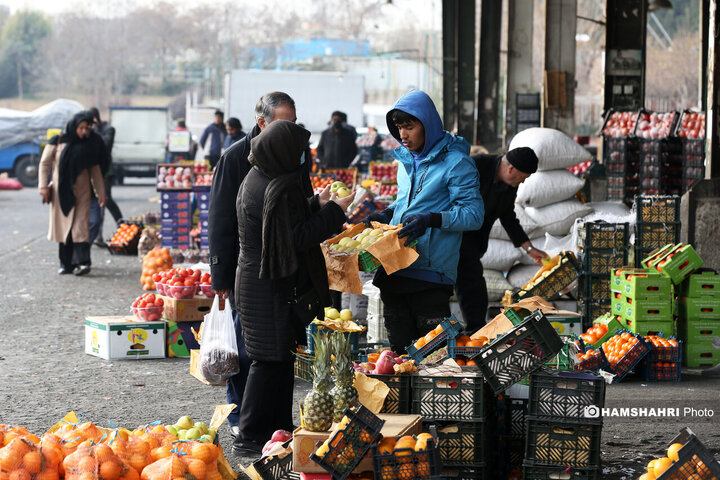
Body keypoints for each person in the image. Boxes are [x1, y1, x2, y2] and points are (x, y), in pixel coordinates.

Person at [233, 120, 353, 456]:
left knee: (278, 358)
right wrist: (334, 212)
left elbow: (287, 227)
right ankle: (251, 434)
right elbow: (297, 238)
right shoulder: (274, 188)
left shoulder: (261, 178)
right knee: (268, 360)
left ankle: (274, 431)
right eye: (299, 150)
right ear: (282, 151)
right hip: (266, 285)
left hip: (261, 279)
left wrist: (317, 203)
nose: (304, 157)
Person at [208, 91, 313, 442]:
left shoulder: (292, 156)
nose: (291, 132)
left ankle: (268, 426)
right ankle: (241, 417)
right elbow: (220, 220)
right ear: (262, 123)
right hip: (252, 270)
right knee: (250, 350)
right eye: (284, 124)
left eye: (294, 124)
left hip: (279, 270)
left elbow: (298, 205)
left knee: (269, 352)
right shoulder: (236, 159)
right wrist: (219, 275)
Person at [363, 90, 484, 352]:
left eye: (410, 126)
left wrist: (432, 219)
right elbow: (406, 202)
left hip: (430, 275)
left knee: (430, 360)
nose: (403, 134)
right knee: (397, 355)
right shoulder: (406, 162)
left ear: (428, 124)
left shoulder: (456, 163)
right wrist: (386, 214)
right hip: (395, 271)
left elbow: (474, 215)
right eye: (399, 127)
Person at [455, 147, 549, 333]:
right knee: (439, 287)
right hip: (450, 233)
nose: (522, 182)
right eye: (523, 177)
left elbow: (508, 217)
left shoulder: (509, 185)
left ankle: (475, 333)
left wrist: (529, 249)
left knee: (473, 286)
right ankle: (434, 337)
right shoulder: (476, 165)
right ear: (510, 168)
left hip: (472, 242)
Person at [38, 111, 107, 276]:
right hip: (60, 193)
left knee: (81, 229)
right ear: (74, 126)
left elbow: (95, 170)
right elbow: (44, 163)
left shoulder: (89, 145)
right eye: (81, 128)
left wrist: (100, 193)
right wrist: (43, 186)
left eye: (87, 128)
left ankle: (83, 263)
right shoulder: (58, 141)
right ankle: (65, 264)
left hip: (82, 193)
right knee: (64, 231)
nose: (84, 132)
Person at [87, 107, 123, 247]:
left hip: (105, 171)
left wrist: (93, 132)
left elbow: (106, 144)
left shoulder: (108, 129)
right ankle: (98, 235)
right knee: (98, 203)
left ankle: (121, 223)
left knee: (105, 200)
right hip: (93, 171)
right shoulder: (90, 131)